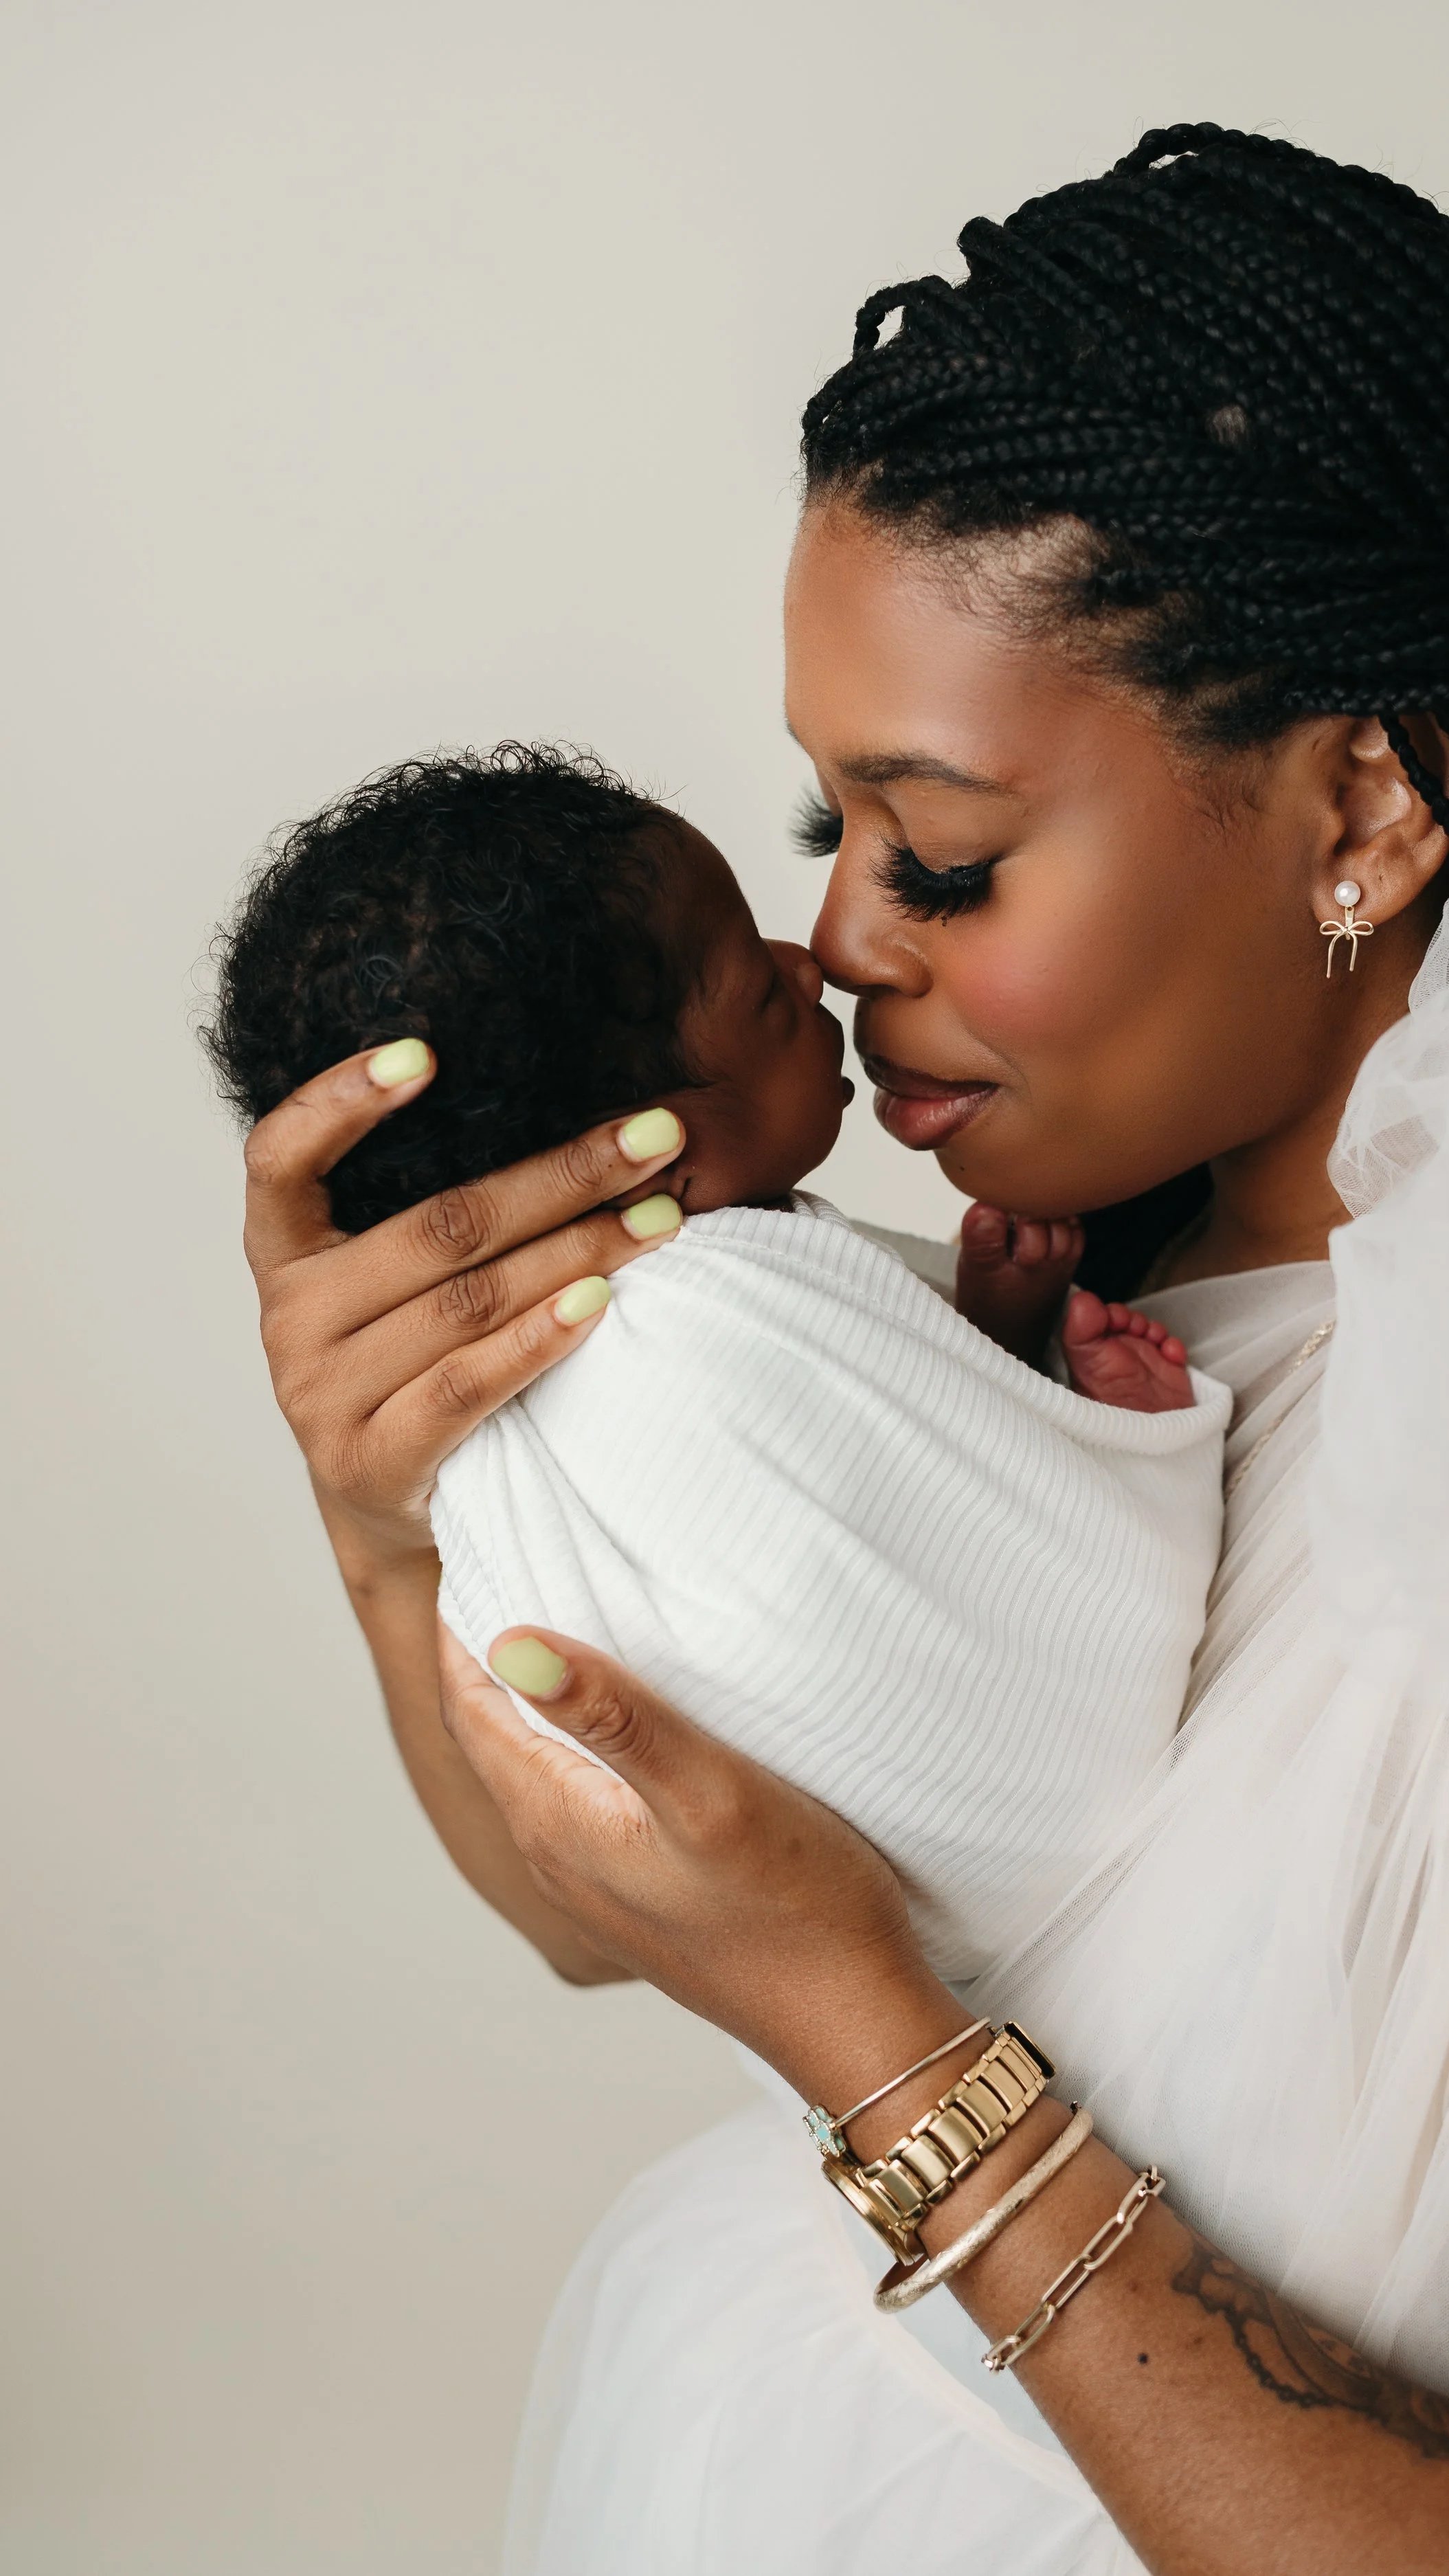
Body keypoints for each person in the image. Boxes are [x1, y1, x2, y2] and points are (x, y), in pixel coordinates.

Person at [232, 124, 1449, 2571]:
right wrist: (402, 1533)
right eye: (828, 824)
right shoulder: (1031, 1296)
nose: (839, 945)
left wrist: (874, 2052)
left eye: (947, 853)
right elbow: (621, 1898)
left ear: (1365, 804)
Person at [206, 746, 1222, 1984]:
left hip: (946, 1970)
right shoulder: (697, 1307)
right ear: (649, 1162)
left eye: (944, 860)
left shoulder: (592, 1359)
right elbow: (962, 1564)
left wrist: (1000, 1335)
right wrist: (373, 1535)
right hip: (1027, 1873)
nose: (823, 961)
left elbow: (883, 1519)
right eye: (757, 989)